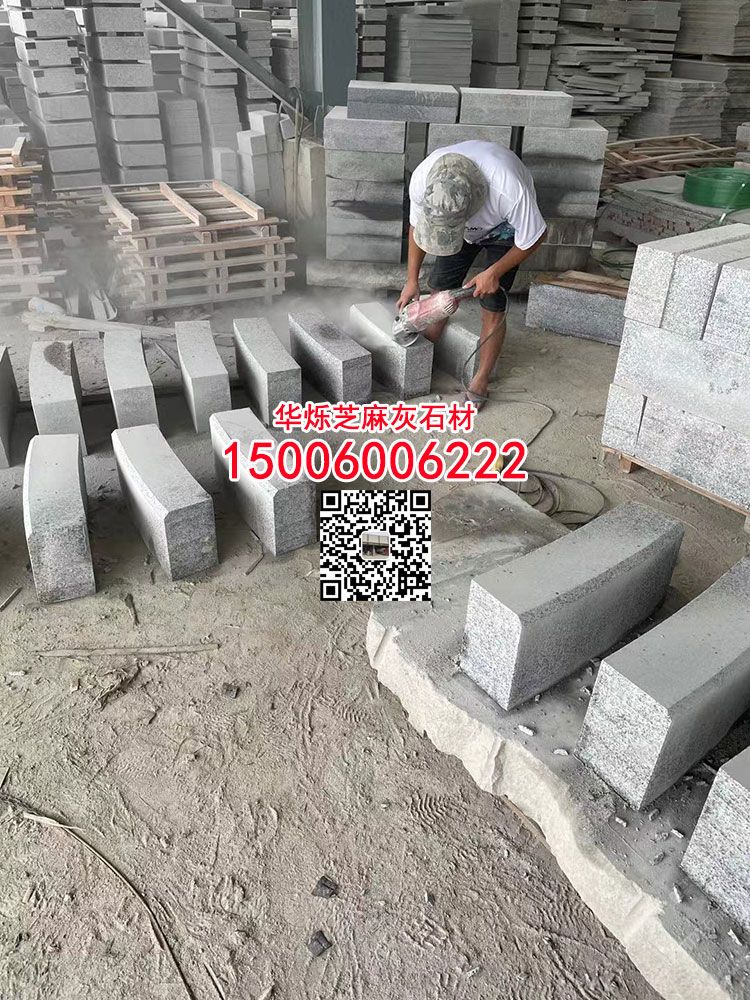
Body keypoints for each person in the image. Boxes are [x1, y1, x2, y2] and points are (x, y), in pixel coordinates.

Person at [396, 141, 547, 409]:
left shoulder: (508, 189)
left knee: (492, 305)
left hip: (504, 228)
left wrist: (494, 272)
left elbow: (536, 236)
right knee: (440, 288)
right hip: (457, 227)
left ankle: (481, 379)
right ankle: (426, 352)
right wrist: (411, 281)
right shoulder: (423, 179)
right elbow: (415, 227)